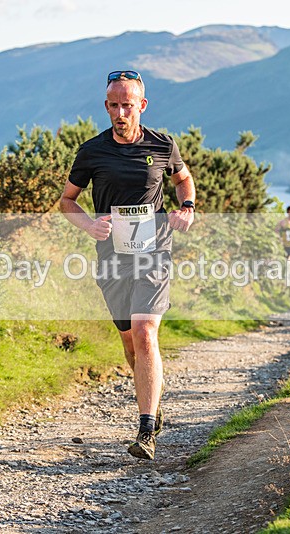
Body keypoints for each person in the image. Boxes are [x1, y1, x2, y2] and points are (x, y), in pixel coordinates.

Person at [59, 70, 196, 460]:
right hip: (112, 256)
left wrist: (186, 206)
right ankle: (152, 399)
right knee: (129, 341)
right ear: (106, 106)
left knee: (144, 330)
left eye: (128, 105)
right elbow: (68, 200)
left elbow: (183, 180)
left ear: (142, 106)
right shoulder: (91, 152)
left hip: (154, 251)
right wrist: (89, 224)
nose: (121, 113)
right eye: (114, 105)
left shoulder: (163, 145)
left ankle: (146, 429)